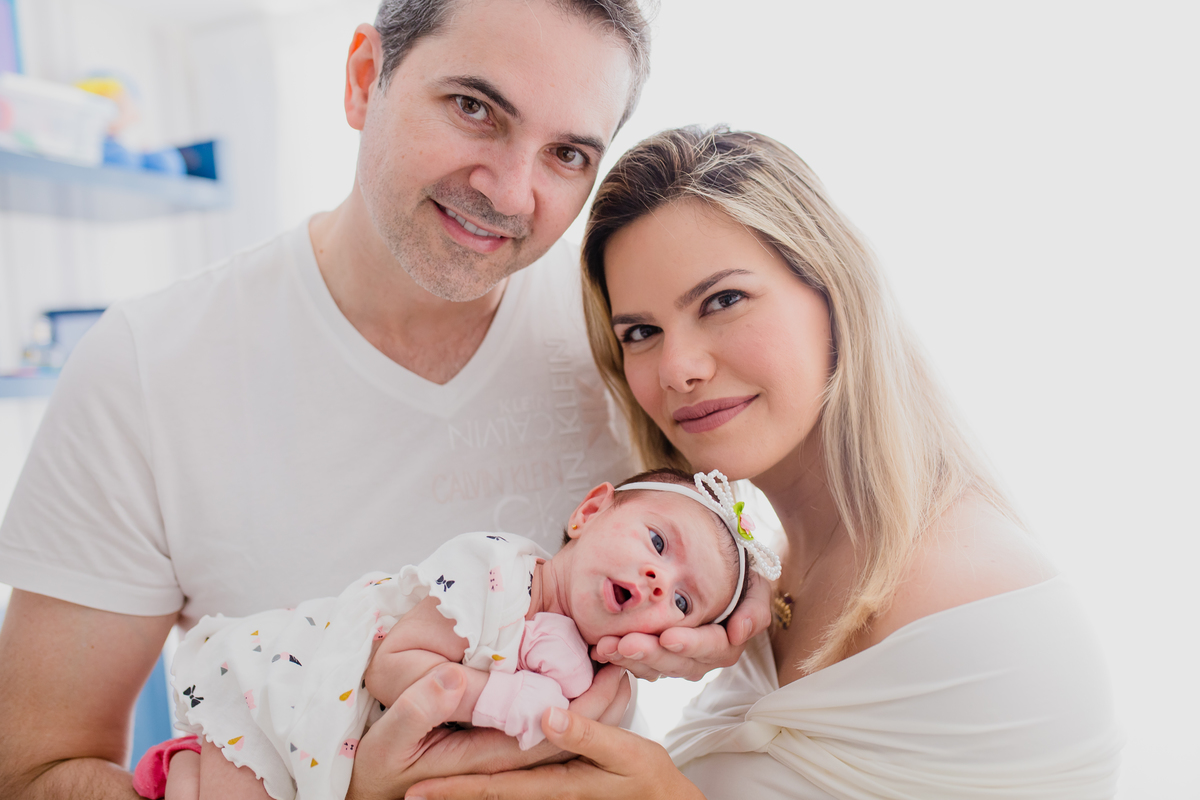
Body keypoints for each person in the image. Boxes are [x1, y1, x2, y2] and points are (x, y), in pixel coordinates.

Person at [0, 5, 770, 800]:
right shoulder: (143, 369)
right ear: (364, 79)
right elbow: (33, 774)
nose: (511, 193)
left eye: (567, 153)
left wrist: (751, 590)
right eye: (474, 108)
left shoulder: (633, 337)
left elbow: (765, 508)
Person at [402, 127, 1124, 800]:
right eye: (642, 332)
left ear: (833, 291)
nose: (678, 368)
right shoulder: (753, 588)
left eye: (723, 300)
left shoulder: (981, 606)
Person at [134, 468, 779, 800]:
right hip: (290, 700)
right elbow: (392, 667)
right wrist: (500, 697)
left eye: (684, 600)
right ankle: (181, 770)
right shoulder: (495, 574)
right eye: (658, 542)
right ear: (589, 512)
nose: (659, 580)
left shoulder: (604, 691)